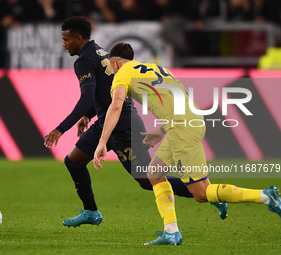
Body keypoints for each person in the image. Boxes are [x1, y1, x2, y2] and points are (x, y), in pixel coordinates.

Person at [93, 41, 281, 245]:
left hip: (182, 128)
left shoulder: (122, 74)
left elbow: (116, 105)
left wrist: (102, 141)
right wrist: (162, 130)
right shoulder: (156, 69)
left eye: (111, 67)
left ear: (116, 63)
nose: (111, 71)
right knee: (154, 173)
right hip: (188, 122)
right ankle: (171, 231)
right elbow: (180, 98)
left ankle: (264, 196)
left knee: (200, 193)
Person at [43, 16, 195, 228]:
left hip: (123, 124)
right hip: (106, 120)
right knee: (74, 161)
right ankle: (91, 212)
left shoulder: (84, 61)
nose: (63, 44)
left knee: (147, 180)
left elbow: (87, 97)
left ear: (78, 39)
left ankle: (203, 191)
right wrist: (88, 114)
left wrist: (60, 129)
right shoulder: (100, 51)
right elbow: (103, 92)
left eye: (66, 39)